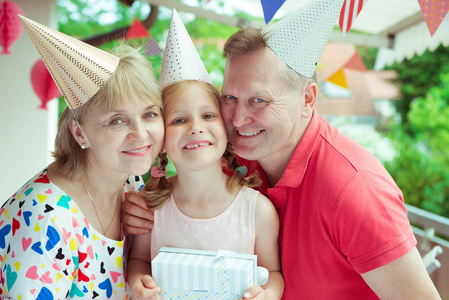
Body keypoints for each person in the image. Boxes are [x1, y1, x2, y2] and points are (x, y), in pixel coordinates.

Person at [122, 0, 441, 299]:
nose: (239, 117)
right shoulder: (232, 159)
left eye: (258, 100)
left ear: (307, 99)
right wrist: (130, 211)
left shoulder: (355, 191)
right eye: (230, 98)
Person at [0, 16, 164, 299]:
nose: (140, 134)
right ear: (79, 133)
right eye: (117, 121)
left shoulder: (131, 184)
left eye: (149, 114)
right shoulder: (43, 219)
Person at [126, 10, 283, 300]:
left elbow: (272, 272)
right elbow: (138, 261)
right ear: (161, 140)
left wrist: (269, 294)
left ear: (224, 129)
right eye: (179, 120)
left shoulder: (257, 210)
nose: (196, 128)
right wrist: (138, 282)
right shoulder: (151, 204)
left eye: (208, 115)